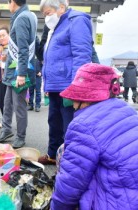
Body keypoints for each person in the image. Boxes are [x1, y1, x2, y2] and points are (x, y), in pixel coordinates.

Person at [50, 63, 138, 210]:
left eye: (75, 97)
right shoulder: (127, 110)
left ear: (84, 98)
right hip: (130, 189)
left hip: (117, 203)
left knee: (65, 154)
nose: (72, 103)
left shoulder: (83, 126)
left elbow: (70, 183)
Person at [38, 0, 92, 164]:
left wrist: (77, 87)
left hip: (68, 85)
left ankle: (70, 161)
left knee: (69, 125)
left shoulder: (76, 20)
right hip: (56, 85)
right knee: (54, 122)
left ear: (61, 7)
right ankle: (53, 154)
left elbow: (82, 55)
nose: (47, 18)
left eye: (48, 13)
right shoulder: (57, 25)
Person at [0, 0, 37, 149]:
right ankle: (6, 130)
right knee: (7, 103)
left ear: (12, 2)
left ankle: (20, 136)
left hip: (18, 72)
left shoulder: (22, 18)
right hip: (14, 71)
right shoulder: (30, 15)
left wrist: (21, 74)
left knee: (19, 105)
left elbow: (23, 48)